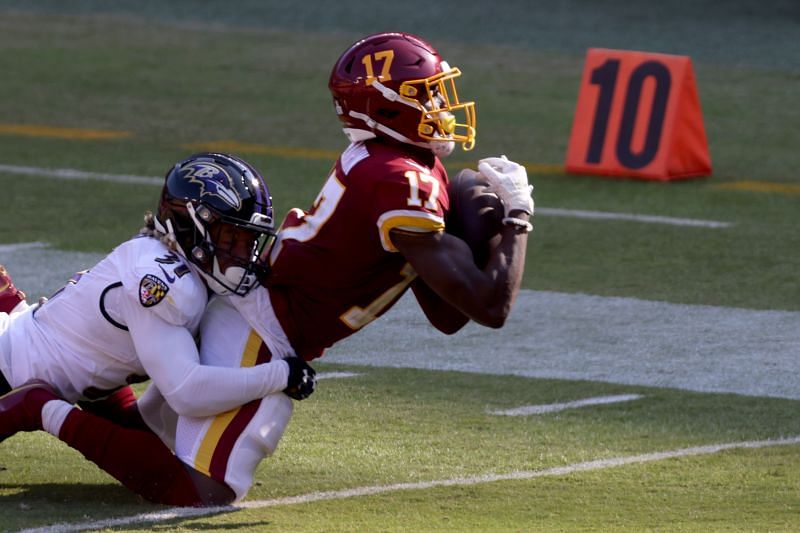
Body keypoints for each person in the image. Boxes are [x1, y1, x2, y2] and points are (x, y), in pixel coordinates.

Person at [0, 31, 532, 507]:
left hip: (270, 313)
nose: (441, 104)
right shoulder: (398, 179)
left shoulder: (402, 165)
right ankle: (41, 408)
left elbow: (452, 313)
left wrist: (483, 228)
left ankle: (71, 403)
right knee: (205, 491)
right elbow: (491, 307)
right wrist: (517, 220)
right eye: (426, 93)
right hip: (266, 326)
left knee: (155, 430)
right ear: (384, 107)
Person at [0, 152, 316, 504]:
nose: (241, 255)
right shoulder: (163, 279)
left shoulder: (175, 267)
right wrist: (279, 375)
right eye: (230, 239)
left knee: (155, 450)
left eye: (248, 241)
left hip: (62, 366)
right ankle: (37, 406)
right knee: (178, 483)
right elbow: (187, 393)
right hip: (14, 370)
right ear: (189, 225)